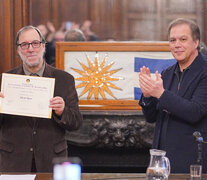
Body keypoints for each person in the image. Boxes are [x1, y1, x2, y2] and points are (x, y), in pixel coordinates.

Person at [0, 25, 82, 172]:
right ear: (18, 50)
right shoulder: (5, 81)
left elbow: (76, 122)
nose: (30, 49)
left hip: (51, 161)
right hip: (14, 162)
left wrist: (62, 111)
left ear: (43, 46)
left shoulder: (64, 79)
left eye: (35, 43)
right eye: (24, 45)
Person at [139, 18, 207, 173]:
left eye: (183, 39)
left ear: (196, 43)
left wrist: (161, 94)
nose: (177, 45)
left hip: (192, 161)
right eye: (172, 40)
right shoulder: (167, 73)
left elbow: (195, 112)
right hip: (161, 161)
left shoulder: (205, 72)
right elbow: (151, 117)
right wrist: (148, 95)